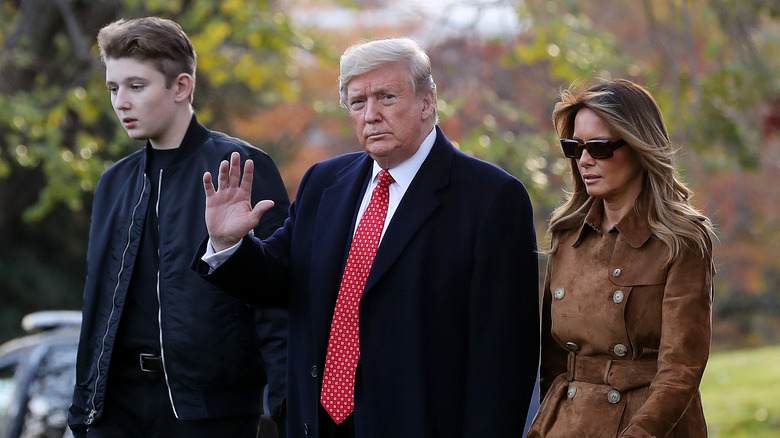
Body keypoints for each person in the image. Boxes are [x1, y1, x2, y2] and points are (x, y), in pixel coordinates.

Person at [194, 38, 540, 438]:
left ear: (427, 101)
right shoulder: (324, 181)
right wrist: (228, 244)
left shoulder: (490, 196)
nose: (371, 115)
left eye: (386, 97)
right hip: (317, 422)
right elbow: (280, 280)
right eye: (358, 103)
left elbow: (502, 358)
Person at [68, 17, 290, 438]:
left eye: (136, 86)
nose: (120, 103)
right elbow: (96, 304)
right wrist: (82, 414)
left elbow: (278, 300)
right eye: (113, 88)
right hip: (113, 410)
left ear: (181, 86)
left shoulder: (240, 167)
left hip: (209, 414)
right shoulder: (114, 182)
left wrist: (287, 410)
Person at [527, 79, 716, 438]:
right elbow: (553, 360)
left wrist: (640, 432)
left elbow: (682, 368)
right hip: (567, 422)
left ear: (640, 147)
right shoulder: (567, 234)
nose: (584, 160)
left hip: (649, 424)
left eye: (599, 147)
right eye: (574, 147)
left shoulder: (681, 239)